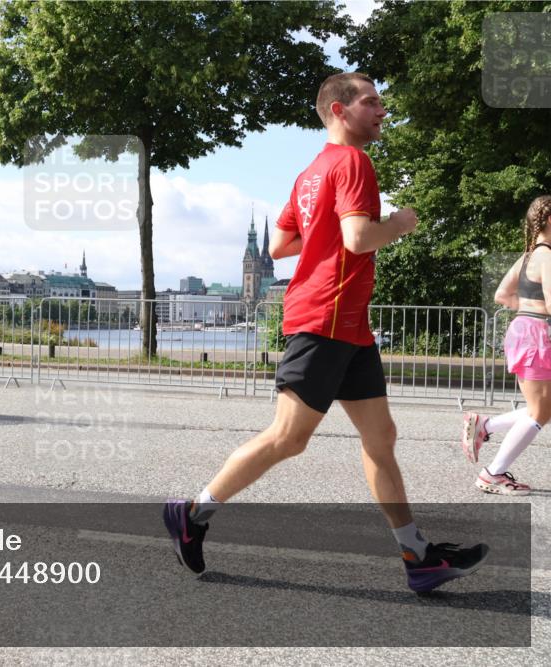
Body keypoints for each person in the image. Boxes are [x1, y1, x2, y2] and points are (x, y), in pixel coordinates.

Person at [163, 72, 488, 594]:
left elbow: (280, 245)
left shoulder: (311, 172)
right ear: (340, 110)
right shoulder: (354, 161)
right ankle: (191, 513)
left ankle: (418, 556)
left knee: (381, 439)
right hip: (325, 317)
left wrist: (328, 236)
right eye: (372, 101)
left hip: (350, 325)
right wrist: (400, 223)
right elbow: (359, 239)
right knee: (288, 438)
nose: (383, 110)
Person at [461, 195, 551, 496]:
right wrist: (535, 312)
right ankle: (493, 474)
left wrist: (526, 309)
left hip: (524, 330)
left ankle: (486, 425)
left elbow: (501, 294)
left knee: (543, 408)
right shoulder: (548, 256)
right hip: (536, 334)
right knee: (539, 412)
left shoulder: (527, 256)